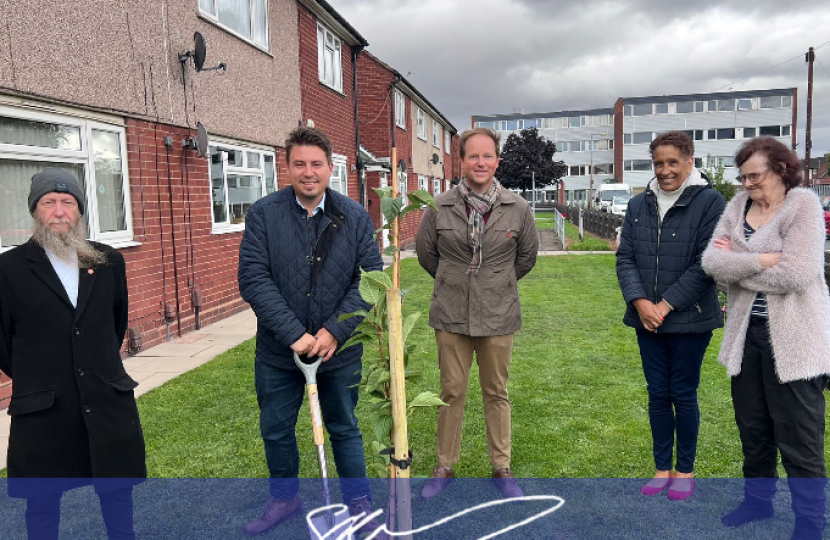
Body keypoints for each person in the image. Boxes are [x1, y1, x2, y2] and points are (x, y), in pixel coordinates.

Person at [238, 127, 384, 536]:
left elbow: (370, 279)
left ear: (329, 168)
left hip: (338, 352)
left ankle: (358, 502)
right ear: (286, 167)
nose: (308, 172)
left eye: (316, 164)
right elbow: (253, 278)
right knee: (276, 428)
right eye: (299, 164)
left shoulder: (354, 216)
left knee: (344, 427)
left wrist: (335, 331)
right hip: (277, 352)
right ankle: (285, 498)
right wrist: (293, 335)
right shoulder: (264, 215)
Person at [0, 168, 146, 539]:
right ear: (36, 210)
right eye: (49, 202)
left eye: (68, 202)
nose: (59, 211)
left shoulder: (108, 261)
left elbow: (115, 325)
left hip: (105, 395)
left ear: (80, 210)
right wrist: (40, 373)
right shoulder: (9, 269)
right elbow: (3, 342)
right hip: (44, 405)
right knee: (43, 502)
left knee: (116, 492)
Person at [702, 137, 830, 540]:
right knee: (753, 430)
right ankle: (757, 503)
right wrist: (761, 259)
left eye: (754, 175)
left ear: (781, 170)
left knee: (800, 439)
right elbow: (711, 264)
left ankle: (811, 521)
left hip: (794, 341)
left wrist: (736, 264)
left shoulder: (803, 205)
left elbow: (797, 274)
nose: (746, 184)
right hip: (747, 337)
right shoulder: (737, 207)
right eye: (742, 177)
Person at [416, 127, 538, 500]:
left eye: (487, 156)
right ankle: (444, 465)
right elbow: (427, 254)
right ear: (462, 160)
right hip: (451, 313)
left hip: (499, 315)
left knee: (496, 391)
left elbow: (526, 258)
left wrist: (494, 283)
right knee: (451, 391)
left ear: (497, 161)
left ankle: (501, 466)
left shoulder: (518, 207)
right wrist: (457, 281)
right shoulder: (440, 205)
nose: (480, 162)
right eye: (473, 156)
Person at [616, 131, 725, 501]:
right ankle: (662, 469)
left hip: (690, 319)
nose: (664, 170)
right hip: (646, 320)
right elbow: (626, 258)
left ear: (689, 161)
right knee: (657, 395)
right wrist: (639, 302)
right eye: (658, 163)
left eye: (672, 162)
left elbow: (706, 264)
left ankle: (685, 470)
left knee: (683, 393)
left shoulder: (710, 202)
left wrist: (664, 306)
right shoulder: (638, 204)